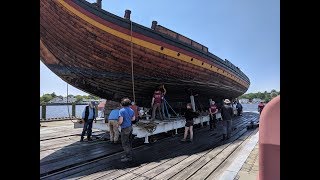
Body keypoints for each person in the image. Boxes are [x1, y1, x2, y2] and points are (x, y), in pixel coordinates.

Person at [118, 98, 135, 162]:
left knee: (125, 143)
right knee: (129, 142)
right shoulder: (131, 110)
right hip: (130, 127)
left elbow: (120, 121)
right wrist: (128, 120)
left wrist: (118, 124)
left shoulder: (121, 111)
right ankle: (128, 154)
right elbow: (133, 119)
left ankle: (129, 157)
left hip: (125, 128)